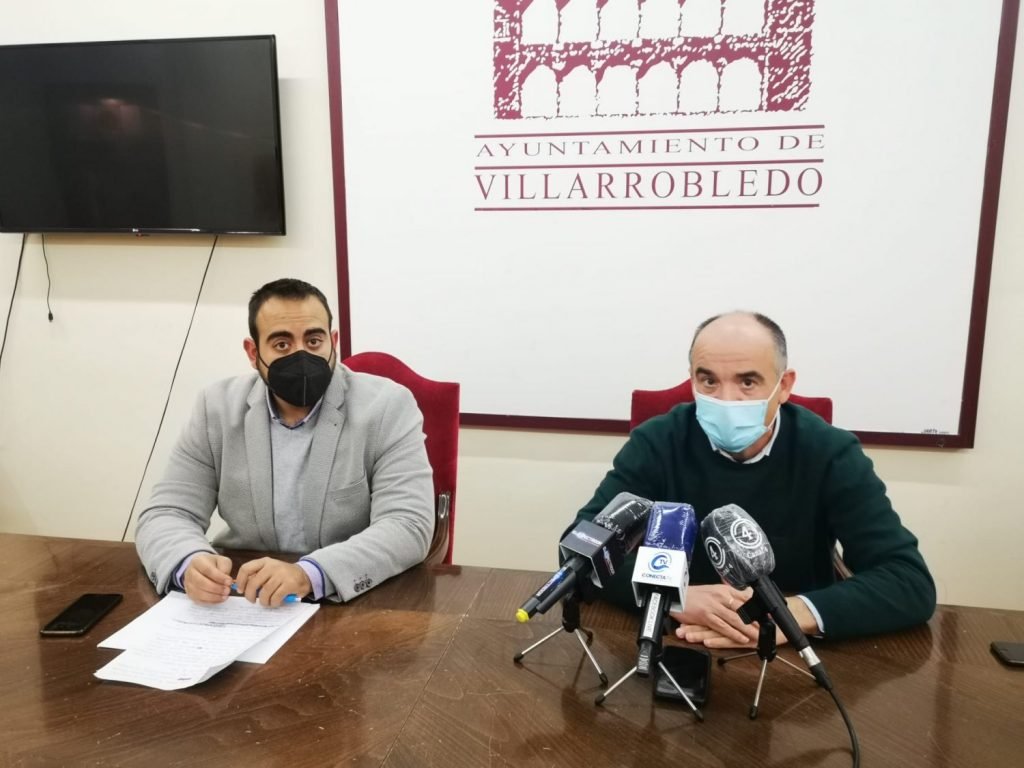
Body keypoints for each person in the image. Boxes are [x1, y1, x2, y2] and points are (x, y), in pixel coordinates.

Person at [572, 311, 935, 646]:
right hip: (672, 637)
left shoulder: (830, 452)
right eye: (708, 381)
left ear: (784, 385)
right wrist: (669, 594)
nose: (726, 399)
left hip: (788, 648)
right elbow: (583, 545)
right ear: (692, 379)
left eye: (747, 382)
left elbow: (907, 580)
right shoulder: (658, 441)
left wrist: (786, 616)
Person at [136, 278, 434, 607]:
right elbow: (167, 513)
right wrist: (187, 562)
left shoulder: (388, 406)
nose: (301, 355)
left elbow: (408, 525)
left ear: (333, 341)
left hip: (352, 601)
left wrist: (310, 573)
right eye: (281, 344)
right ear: (253, 353)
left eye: (314, 341)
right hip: (245, 599)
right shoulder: (216, 408)